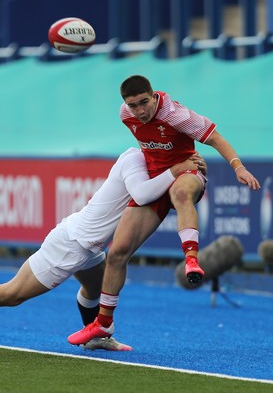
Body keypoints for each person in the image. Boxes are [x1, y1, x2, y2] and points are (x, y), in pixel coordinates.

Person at [68, 75, 261, 346]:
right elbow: (151, 145)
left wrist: (238, 167)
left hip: (187, 173)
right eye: (133, 105)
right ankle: (103, 324)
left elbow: (215, 137)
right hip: (156, 181)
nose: (139, 111)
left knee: (181, 193)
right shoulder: (126, 114)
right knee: (117, 254)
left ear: (154, 96)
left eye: (144, 103)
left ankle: (191, 259)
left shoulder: (176, 115)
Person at [0, 146, 206, 351]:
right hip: (70, 245)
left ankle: (96, 338)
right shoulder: (133, 158)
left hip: (89, 249)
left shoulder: (163, 166)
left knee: (97, 288)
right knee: (11, 295)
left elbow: (177, 195)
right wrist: (178, 169)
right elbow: (143, 195)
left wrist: (193, 172)